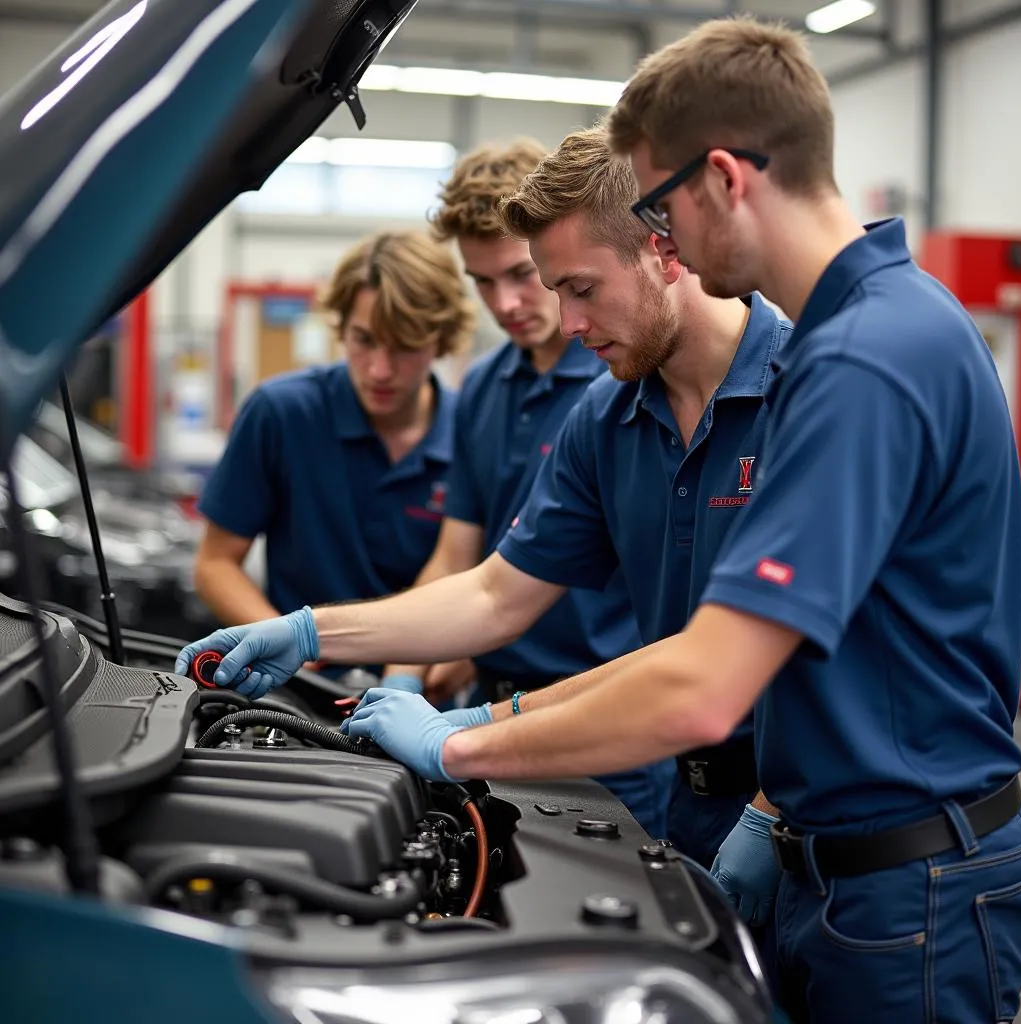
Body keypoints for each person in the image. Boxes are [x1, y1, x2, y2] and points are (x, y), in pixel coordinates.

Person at [266, 17, 1021, 1024]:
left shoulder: (856, 363)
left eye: (660, 210)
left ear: (720, 181)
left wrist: (459, 748)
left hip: (901, 891)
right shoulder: (864, 337)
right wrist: (328, 635)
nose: (662, 239)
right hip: (831, 870)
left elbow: (705, 684)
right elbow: (570, 611)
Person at [175, 124, 790, 874]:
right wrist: (310, 633)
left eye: (578, 289)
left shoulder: (812, 390)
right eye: (548, 288)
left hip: (827, 823)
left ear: (666, 251)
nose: (562, 322)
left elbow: (827, 649)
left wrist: (773, 812)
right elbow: (495, 591)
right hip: (670, 787)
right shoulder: (607, 414)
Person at [374, 138, 673, 837]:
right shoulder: (482, 389)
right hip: (488, 717)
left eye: (520, 274)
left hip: (607, 728)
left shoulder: (626, 378)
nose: (506, 304)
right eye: (482, 283)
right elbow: (460, 561)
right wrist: (402, 672)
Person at [191, 229, 475, 675]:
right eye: (364, 340)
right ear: (341, 326)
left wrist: (452, 661)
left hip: (423, 693)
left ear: (440, 340)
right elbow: (214, 564)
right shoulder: (281, 414)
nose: (380, 370)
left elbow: (482, 581)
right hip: (300, 691)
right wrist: (288, 647)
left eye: (404, 346)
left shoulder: (473, 432)